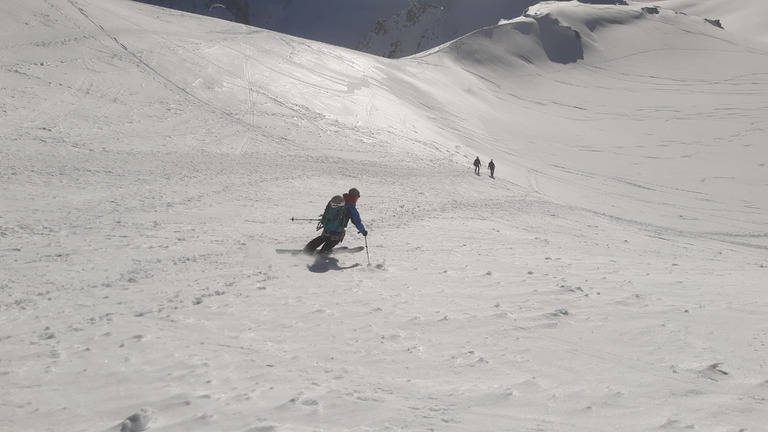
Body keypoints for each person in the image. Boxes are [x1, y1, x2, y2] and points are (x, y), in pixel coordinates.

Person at [303, 187, 367, 254]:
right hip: (338, 232)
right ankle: (325, 251)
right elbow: (357, 222)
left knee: (323, 238)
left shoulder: (339, 203)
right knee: (334, 239)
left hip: (327, 228)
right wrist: (363, 231)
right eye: (358, 197)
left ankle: (308, 248)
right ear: (355, 197)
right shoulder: (351, 209)